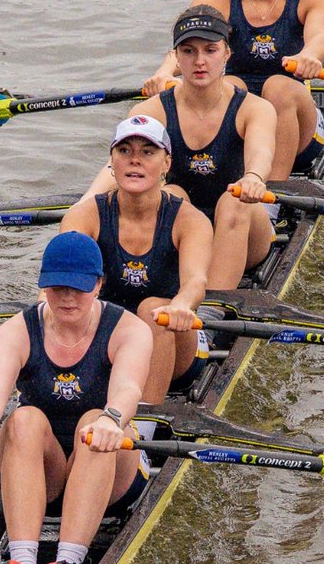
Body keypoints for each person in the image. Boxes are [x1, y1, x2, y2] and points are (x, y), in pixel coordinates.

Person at [0, 231, 153, 564]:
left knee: (93, 420)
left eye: (77, 288)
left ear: (98, 284)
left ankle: (68, 562)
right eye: (57, 288)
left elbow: (128, 388)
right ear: (43, 286)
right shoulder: (15, 332)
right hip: (43, 472)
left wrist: (111, 420)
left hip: (113, 473)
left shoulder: (129, 330)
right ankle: (21, 560)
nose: (67, 298)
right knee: (22, 419)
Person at [81, 9, 276, 290]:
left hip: (242, 228)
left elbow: (262, 152)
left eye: (210, 50)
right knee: (170, 194)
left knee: (233, 200)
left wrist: (254, 177)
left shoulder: (254, 109)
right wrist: (84, 205)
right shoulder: (151, 110)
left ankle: (212, 308)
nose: (199, 61)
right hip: (180, 231)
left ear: (227, 54)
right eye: (188, 51)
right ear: (176, 56)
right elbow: (122, 166)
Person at [142, 0, 324, 181]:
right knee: (228, 86)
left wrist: (309, 55)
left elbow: (320, 37)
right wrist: (163, 73)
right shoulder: (213, 0)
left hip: (299, 129)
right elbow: (183, 50)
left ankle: (273, 198)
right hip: (242, 117)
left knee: (278, 86)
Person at [62, 114, 213, 405]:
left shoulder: (189, 220)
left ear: (166, 163)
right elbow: (62, 282)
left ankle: (143, 426)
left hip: (176, 343)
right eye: (125, 151)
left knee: (153, 310)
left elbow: (196, 282)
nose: (135, 160)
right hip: (109, 341)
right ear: (112, 162)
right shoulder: (84, 216)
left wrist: (181, 304)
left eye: (147, 152)